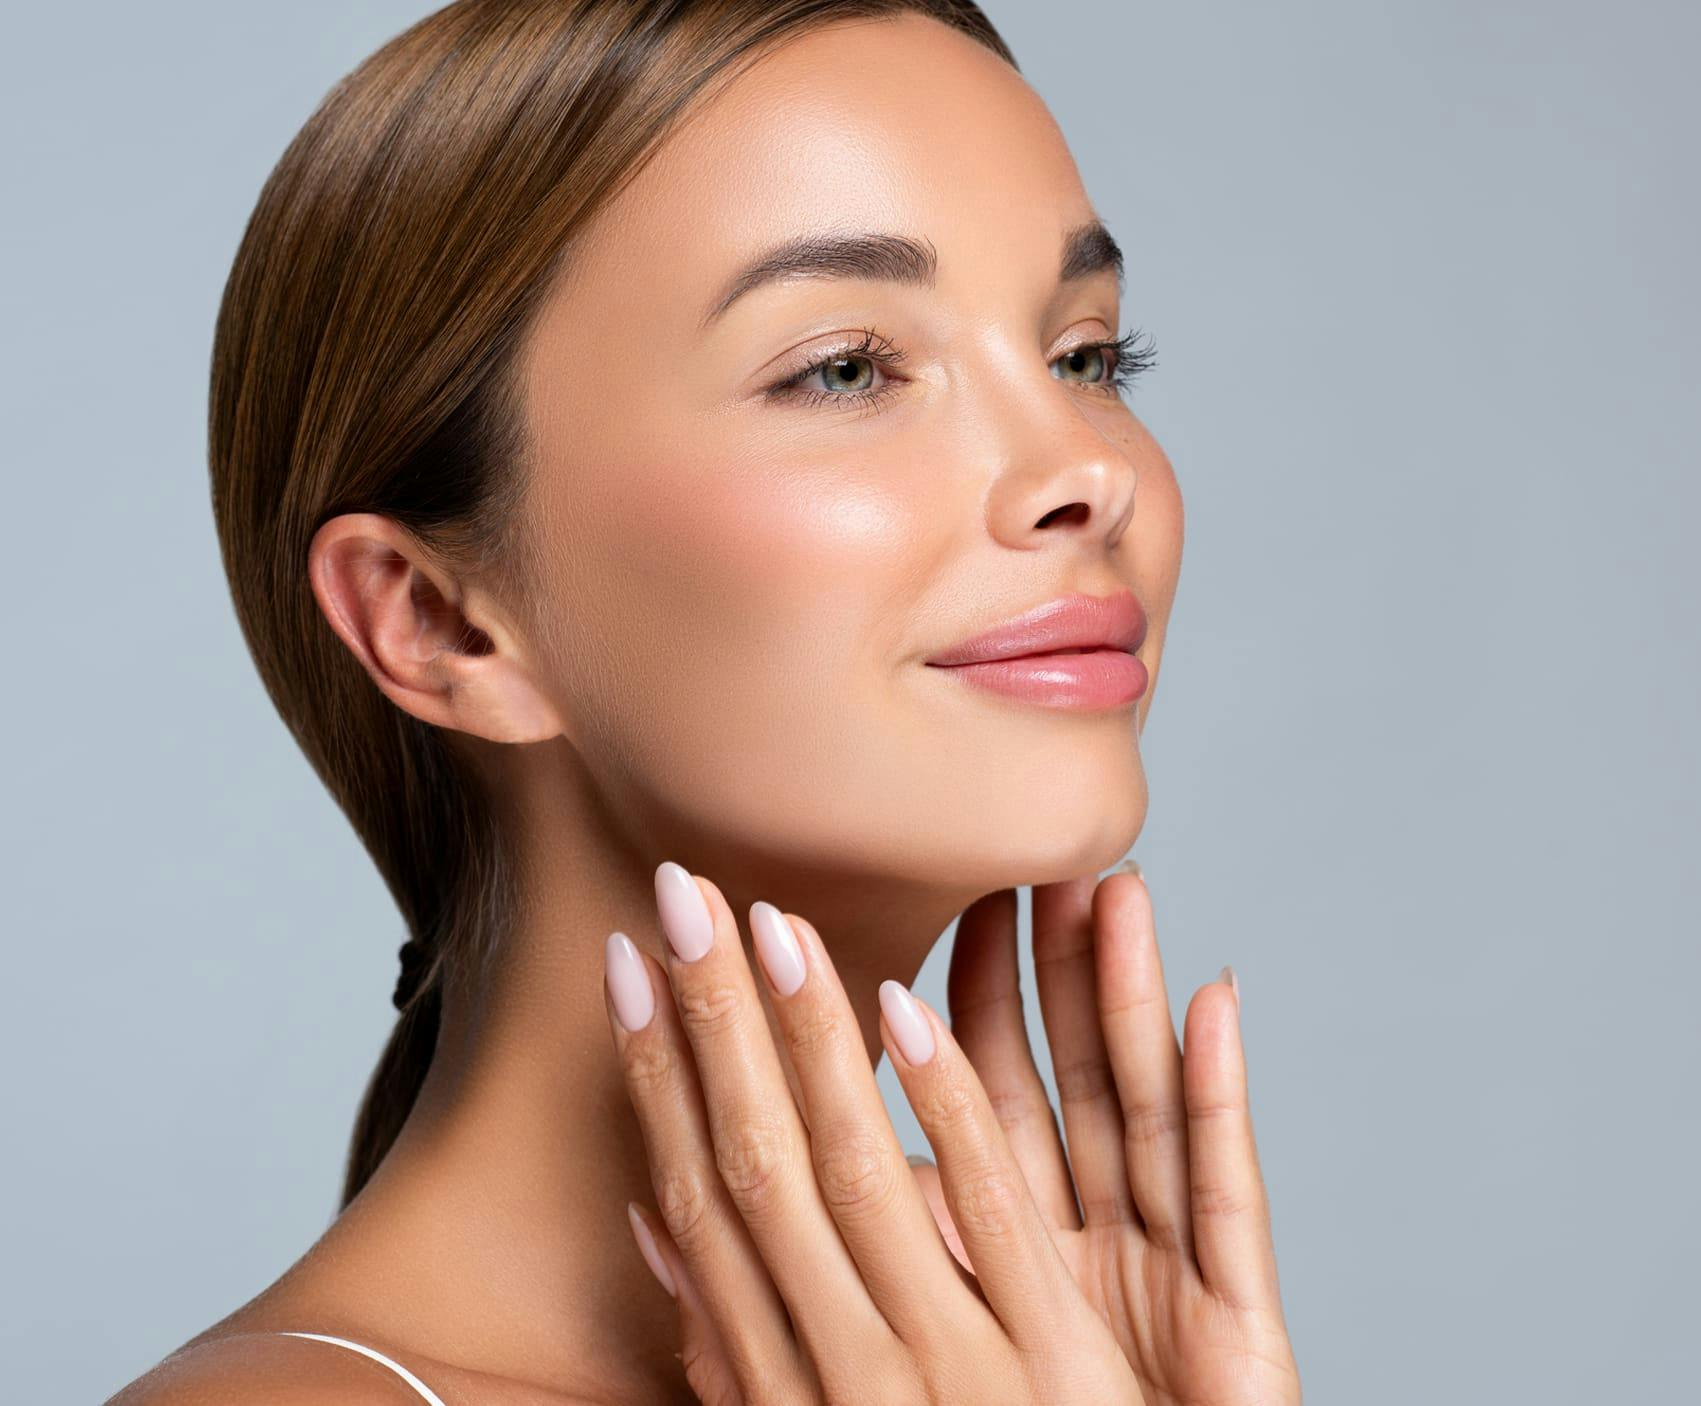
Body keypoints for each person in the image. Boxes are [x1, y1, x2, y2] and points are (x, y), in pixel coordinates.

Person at [110, 1, 1298, 1400]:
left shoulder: (1050, 1361)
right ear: (440, 622)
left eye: (1086, 356)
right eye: (847, 367)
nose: (1086, 469)